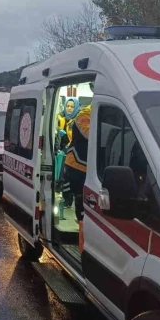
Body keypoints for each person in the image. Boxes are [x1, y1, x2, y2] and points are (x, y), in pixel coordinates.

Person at [63, 84, 93, 252]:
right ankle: (82, 250)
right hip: (77, 166)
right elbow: (91, 135)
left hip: (91, 168)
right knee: (82, 207)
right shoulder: (84, 114)